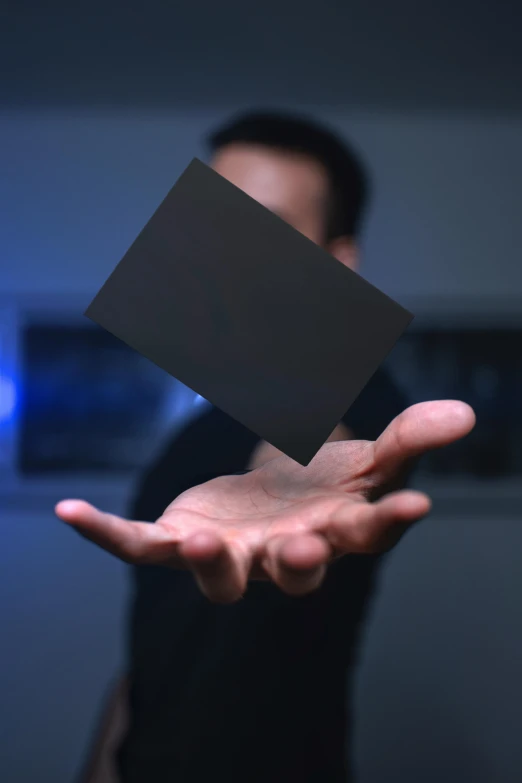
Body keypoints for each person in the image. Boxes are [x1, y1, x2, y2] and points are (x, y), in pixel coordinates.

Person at [56, 111, 476, 783]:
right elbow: (156, 647)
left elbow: (322, 453)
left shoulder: (363, 395)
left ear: (337, 262)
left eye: (267, 229)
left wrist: (293, 481)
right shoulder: (196, 432)